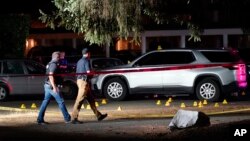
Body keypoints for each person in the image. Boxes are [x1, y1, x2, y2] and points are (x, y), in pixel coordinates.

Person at [71, 48, 107, 124]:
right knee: (79, 100)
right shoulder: (86, 61)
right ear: (88, 54)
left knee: (91, 100)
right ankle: (74, 118)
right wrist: (94, 73)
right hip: (83, 82)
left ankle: (98, 115)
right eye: (89, 54)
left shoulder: (79, 61)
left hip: (80, 81)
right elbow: (88, 72)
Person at [37, 51, 71, 125]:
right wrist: (55, 87)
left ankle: (40, 119)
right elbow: (50, 76)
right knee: (61, 101)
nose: (61, 59)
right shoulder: (54, 64)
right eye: (59, 57)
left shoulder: (49, 64)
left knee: (45, 102)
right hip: (51, 86)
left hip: (47, 85)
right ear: (57, 57)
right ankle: (67, 118)